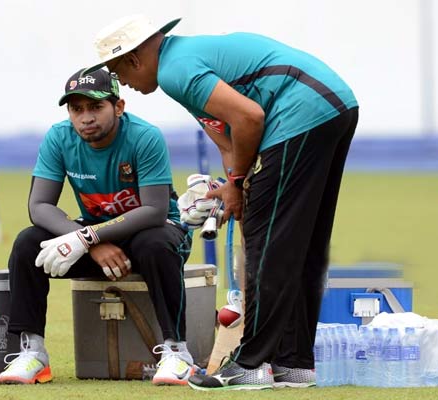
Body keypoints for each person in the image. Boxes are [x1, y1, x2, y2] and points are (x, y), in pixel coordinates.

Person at [84, 15, 360, 390]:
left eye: (119, 72)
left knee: (268, 242)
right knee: (302, 241)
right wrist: (234, 186)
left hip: (301, 112)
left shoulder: (175, 71)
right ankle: (293, 364)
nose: (123, 83)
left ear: (134, 58)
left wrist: (238, 182)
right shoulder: (182, 60)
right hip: (336, 106)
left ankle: (251, 363)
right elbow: (228, 138)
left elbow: (249, 117)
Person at [0, 68, 195, 386]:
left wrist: (88, 237)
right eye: (77, 109)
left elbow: (155, 210)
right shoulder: (59, 137)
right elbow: (39, 206)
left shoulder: (145, 137)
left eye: (96, 107)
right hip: (97, 237)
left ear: (118, 107)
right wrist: (91, 242)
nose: (86, 117)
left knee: (154, 244)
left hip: (156, 232)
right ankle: (32, 352)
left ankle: (177, 353)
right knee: (27, 244)